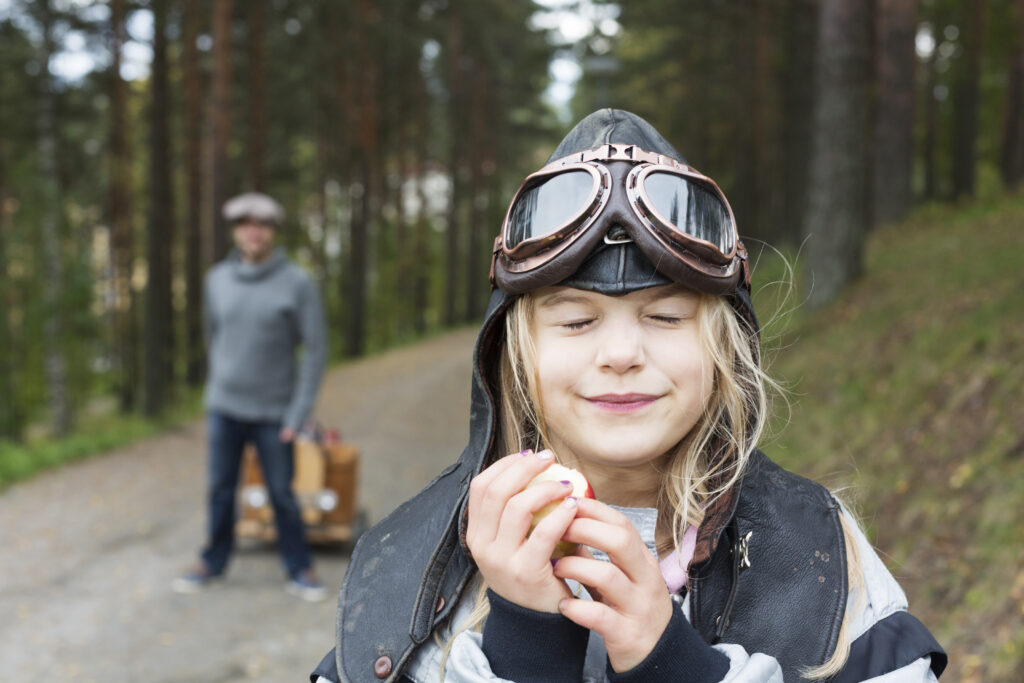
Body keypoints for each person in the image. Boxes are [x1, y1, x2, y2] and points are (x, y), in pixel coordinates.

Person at [311, 110, 946, 680]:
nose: (620, 354)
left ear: (725, 351)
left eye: (666, 317)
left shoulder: (821, 559)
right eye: (576, 321)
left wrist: (673, 666)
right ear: (515, 352)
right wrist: (523, 648)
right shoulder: (413, 572)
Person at [173, 191, 329, 602]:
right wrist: (219, 383)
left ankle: (299, 568)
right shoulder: (217, 280)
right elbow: (214, 336)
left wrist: (297, 415)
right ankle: (212, 560)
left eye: (261, 225)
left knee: (281, 493)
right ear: (236, 231)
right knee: (221, 488)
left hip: (276, 414)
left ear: (273, 231)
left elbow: (315, 351)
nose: (253, 232)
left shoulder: (297, 283)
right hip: (224, 407)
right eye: (245, 224)